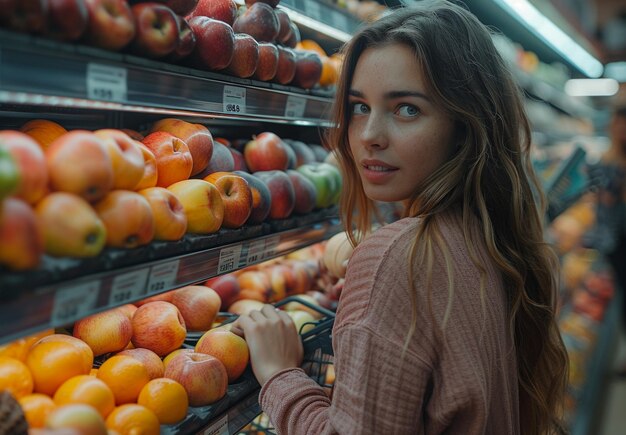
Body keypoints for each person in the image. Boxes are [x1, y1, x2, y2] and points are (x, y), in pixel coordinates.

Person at [235, 1, 569, 433]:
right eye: (359, 107)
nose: (370, 136)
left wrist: (280, 375)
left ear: (465, 126)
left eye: (406, 109)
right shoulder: (492, 237)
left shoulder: (398, 259)